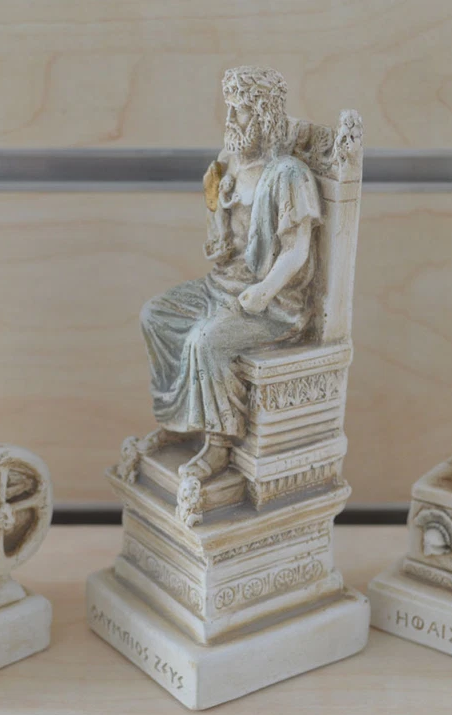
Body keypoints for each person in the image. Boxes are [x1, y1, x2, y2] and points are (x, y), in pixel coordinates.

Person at [137, 66, 323, 483]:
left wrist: (264, 291)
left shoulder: (288, 175)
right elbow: (221, 242)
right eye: (229, 108)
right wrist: (217, 211)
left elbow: (296, 251)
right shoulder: (228, 163)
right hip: (222, 287)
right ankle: (179, 421)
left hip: (273, 305)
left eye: (239, 111)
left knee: (206, 341)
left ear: (262, 115)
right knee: (155, 315)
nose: (230, 120)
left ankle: (219, 443)